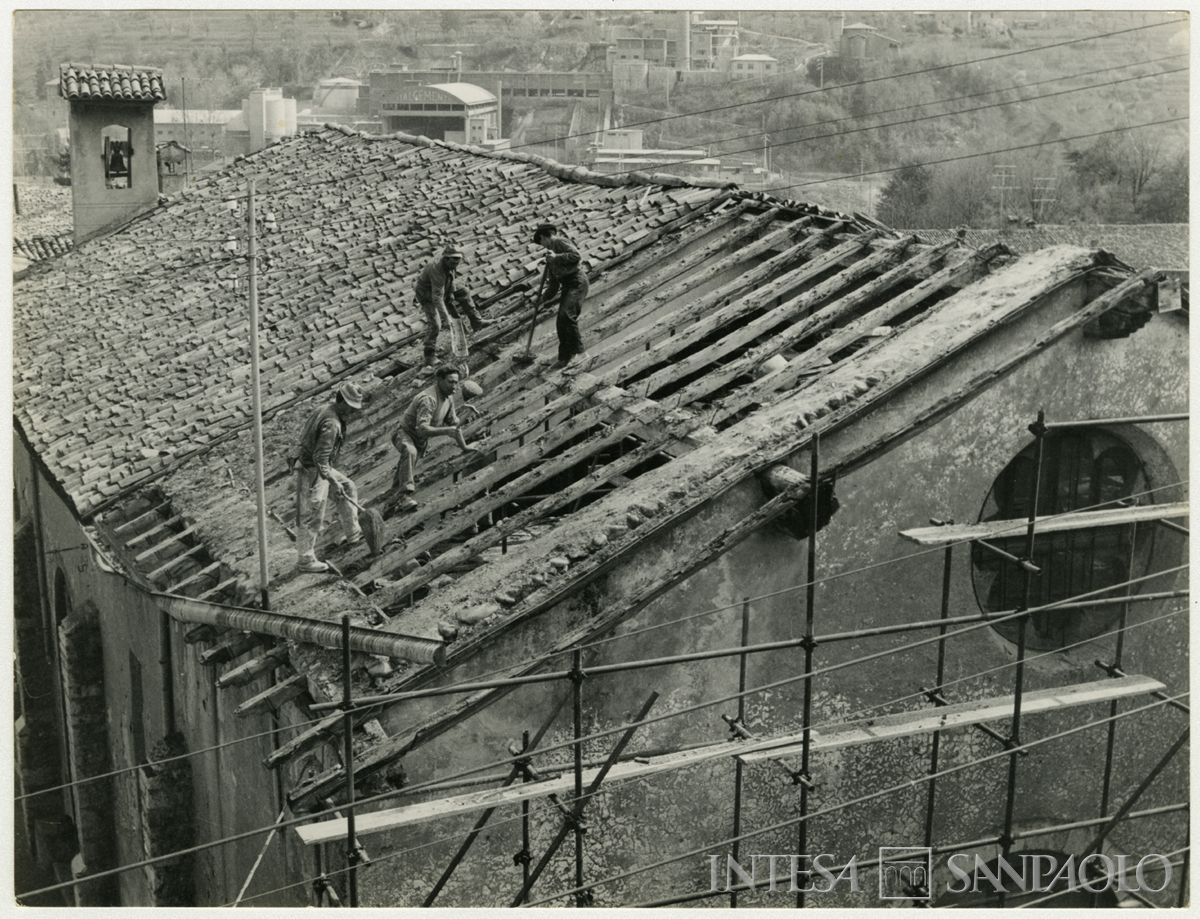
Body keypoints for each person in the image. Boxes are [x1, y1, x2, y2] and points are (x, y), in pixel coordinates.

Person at [294, 382, 365, 573]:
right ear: (342, 402)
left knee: (348, 487)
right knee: (313, 512)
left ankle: (353, 533)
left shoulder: (325, 408)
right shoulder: (331, 423)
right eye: (350, 408)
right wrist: (332, 481)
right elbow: (320, 458)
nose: (351, 413)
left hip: (317, 465)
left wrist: (335, 482)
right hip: (312, 469)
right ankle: (305, 559)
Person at [390, 365, 478, 512]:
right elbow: (423, 429)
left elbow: (455, 426)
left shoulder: (448, 398)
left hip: (419, 440)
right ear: (439, 380)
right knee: (410, 451)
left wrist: (465, 446)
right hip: (403, 433)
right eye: (451, 382)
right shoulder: (428, 399)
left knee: (403, 474)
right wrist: (447, 431)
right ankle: (404, 496)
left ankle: (391, 503)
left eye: (456, 382)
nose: (454, 386)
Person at [414, 246, 491, 372]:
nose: (456, 263)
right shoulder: (436, 270)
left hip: (443, 287)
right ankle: (429, 356)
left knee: (464, 292)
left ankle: (477, 322)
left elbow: (450, 277)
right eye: (454, 260)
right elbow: (437, 298)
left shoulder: (450, 264)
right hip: (427, 294)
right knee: (436, 325)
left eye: (458, 260)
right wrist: (446, 319)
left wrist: (451, 293)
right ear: (446, 259)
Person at [533, 223, 589, 369]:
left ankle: (581, 353)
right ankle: (564, 358)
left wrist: (556, 257)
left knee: (567, 316)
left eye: (542, 242)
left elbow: (576, 256)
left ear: (544, 237)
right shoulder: (550, 258)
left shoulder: (559, 242)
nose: (544, 246)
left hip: (577, 281)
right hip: (567, 286)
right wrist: (542, 299)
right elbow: (553, 286)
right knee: (561, 322)